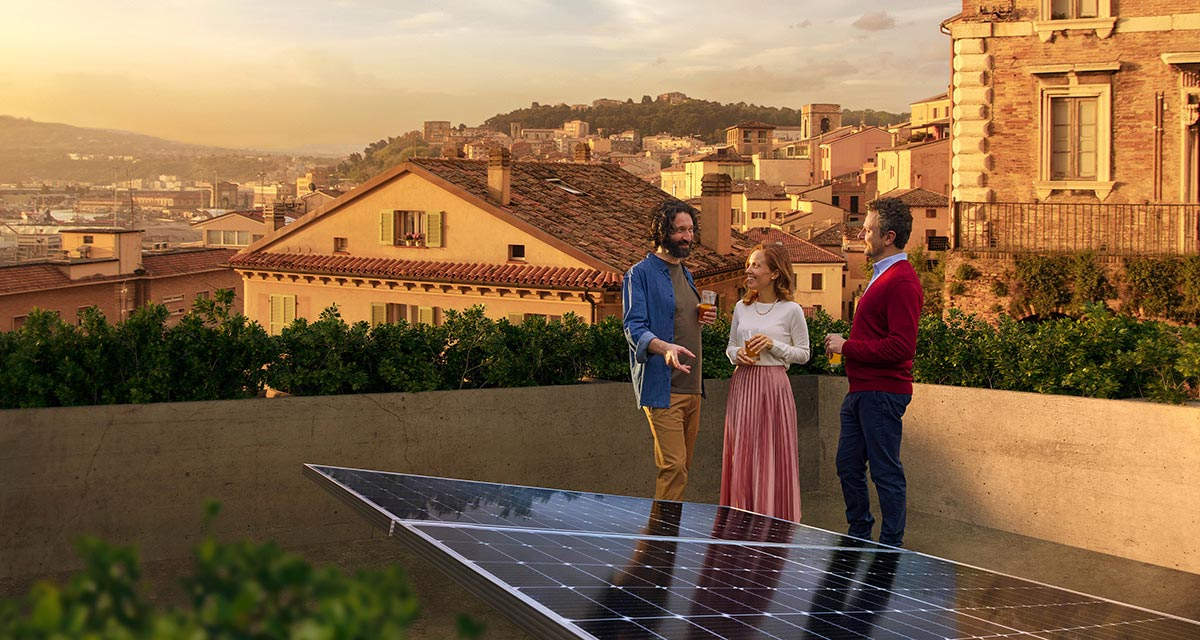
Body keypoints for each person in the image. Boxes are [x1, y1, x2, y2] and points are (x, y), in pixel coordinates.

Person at [824, 197, 923, 547]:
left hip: (882, 393)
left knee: (885, 473)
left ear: (889, 236)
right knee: (847, 466)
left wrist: (846, 347)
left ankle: (890, 545)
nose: (862, 235)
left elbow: (902, 347)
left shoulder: (902, 282)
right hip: (862, 391)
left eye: (868, 230)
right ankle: (860, 532)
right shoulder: (882, 276)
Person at [622, 200, 717, 501]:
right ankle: (659, 543)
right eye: (679, 231)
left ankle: (663, 539)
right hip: (664, 388)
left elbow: (680, 319)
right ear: (663, 232)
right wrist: (664, 349)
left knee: (682, 469)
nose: (687, 237)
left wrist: (701, 318)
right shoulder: (640, 275)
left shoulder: (686, 274)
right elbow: (633, 328)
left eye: (690, 230)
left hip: (692, 389)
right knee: (673, 468)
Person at [721, 244, 810, 521]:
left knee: (770, 454)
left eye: (756, 265)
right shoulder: (740, 307)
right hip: (743, 385)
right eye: (749, 264)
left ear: (773, 273)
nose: (749, 270)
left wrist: (774, 346)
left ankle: (772, 520)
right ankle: (741, 519)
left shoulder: (792, 310)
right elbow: (730, 347)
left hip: (774, 388)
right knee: (744, 453)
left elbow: (804, 354)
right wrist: (738, 356)